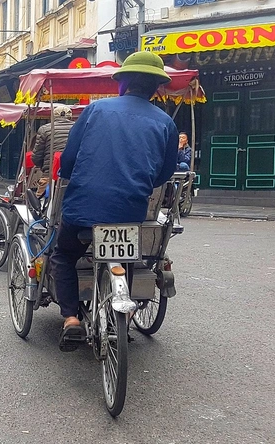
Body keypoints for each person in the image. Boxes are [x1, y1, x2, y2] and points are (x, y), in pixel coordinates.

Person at [51, 51, 179, 351]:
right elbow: (164, 173)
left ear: (124, 82)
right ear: (156, 88)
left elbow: (68, 160)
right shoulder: (165, 123)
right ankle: (127, 305)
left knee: (64, 255)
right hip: (130, 209)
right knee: (127, 253)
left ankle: (71, 318)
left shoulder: (96, 110)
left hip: (83, 206)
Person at [31, 105, 73, 196]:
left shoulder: (44, 129)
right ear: (70, 116)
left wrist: (45, 168)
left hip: (49, 176)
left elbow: (36, 157)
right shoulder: (78, 128)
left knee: (39, 205)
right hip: (72, 176)